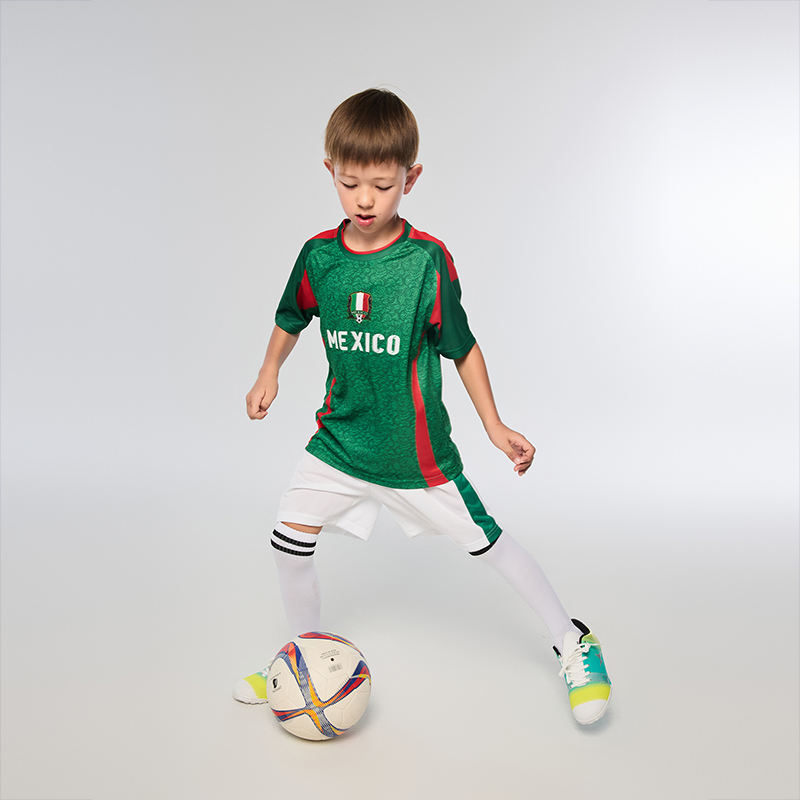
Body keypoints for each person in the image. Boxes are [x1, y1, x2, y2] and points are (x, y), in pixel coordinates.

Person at [233, 88, 611, 725]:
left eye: (382, 186)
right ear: (330, 172)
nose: (365, 199)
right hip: (340, 442)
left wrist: (494, 425)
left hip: (415, 454)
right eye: (349, 183)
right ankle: (301, 658)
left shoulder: (425, 262)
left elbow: (462, 347)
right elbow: (290, 316)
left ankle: (573, 640)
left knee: (489, 544)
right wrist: (269, 368)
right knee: (287, 542)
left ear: (410, 178)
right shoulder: (319, 256)